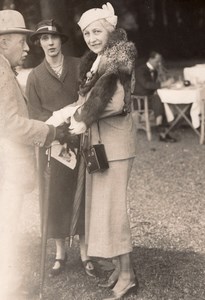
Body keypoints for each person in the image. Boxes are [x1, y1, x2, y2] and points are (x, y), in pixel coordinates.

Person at [50, 2, 139, 299]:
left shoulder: (120, 55)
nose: (91, 37)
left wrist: (81, 117)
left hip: (115, 144)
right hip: (101, 146)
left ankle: (127, 275)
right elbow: (88, 102)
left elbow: (115, 103)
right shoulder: (98, 60)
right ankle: (118, 267)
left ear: (110, 30)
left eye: (97, 31)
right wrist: (71, 113)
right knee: (104, 209)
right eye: (87, 33)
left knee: (114, 211)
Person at [0, 10, 70, 300]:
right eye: (23, 41)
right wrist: (49, 132)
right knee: (6, 233)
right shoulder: (2, 71)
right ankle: (10, 290)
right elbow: (8, 123)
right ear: (3, 43)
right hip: (7, 169)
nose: (29, 47)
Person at [26, 20, 95, 278]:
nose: (50, 43)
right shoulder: (35, 76)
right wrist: (57, 129)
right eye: (44, 38)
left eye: (54, 37)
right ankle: (60, 254)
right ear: (39, 43)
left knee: (83, 193)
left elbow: (89, 98)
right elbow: (34, 113)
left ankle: (86, 253)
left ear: (61, 41)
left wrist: (76, 122)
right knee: (54, 197)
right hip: (53, 144)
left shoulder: (79, 65)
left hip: (81, 139)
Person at [134, 51, 177, 142]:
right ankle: (162, 131)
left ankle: (162, 130)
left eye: (160, 61)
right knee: (158, 99)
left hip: (150, 98)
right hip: (139, 100)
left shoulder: (155, 71)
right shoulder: (140, 70)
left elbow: (153, 85)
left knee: (162, 99)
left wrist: (165, 82)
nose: (159, 63)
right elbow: (147, 85)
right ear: (150, 59)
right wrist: (163, 84)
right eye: (157, 61)